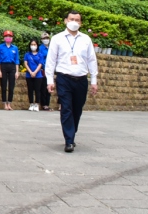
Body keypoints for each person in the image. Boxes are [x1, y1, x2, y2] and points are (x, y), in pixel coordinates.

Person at [47, 11, 98, 152]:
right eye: (71, 19)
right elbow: (51, 60)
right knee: (66, 108)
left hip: (81, 78)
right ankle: (69, 140)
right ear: (65, 21)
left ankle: (72, 133)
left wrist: (94, 80)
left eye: (77, 20)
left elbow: (92, 60)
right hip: (64, 78)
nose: (74, 22)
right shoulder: (57, 39)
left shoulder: (86, 39)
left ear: (80, 23)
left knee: (77, 109)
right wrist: (50, 80)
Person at [0, 31, 20, 110]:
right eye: (6, 36)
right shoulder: (0, 47)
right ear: (4, 37)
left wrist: (17, 71)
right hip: (3, 66)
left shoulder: (15, 48)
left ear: (12, 38)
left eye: (10, 36)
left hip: (12, 67)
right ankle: (4, 104)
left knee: (11, 86)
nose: (8, 37)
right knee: (3, 85)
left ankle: (9, 103)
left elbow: (17, 60)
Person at [24, 40, 45, 112]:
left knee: (37, 90)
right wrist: (30, 72)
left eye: (34, 44)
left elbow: (40, 64)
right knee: (30, 90)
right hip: (29, 75)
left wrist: (35, 72)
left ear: (37, 45)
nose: (33, 46)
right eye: (32, 44)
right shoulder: (27, 54)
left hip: (38, 75)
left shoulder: (40, 55)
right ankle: (31, 104)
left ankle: (36, 104)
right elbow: (26, 63)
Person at [37, 33, 52, 110]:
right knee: (43, 87)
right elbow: (41, 59)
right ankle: (43, 104)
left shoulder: (51, 47)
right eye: (44, 38)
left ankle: (47, 103)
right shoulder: (40, 48)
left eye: (47, 38)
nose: (46, 39)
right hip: (43, 69)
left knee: (49, 86)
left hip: (50, 70)